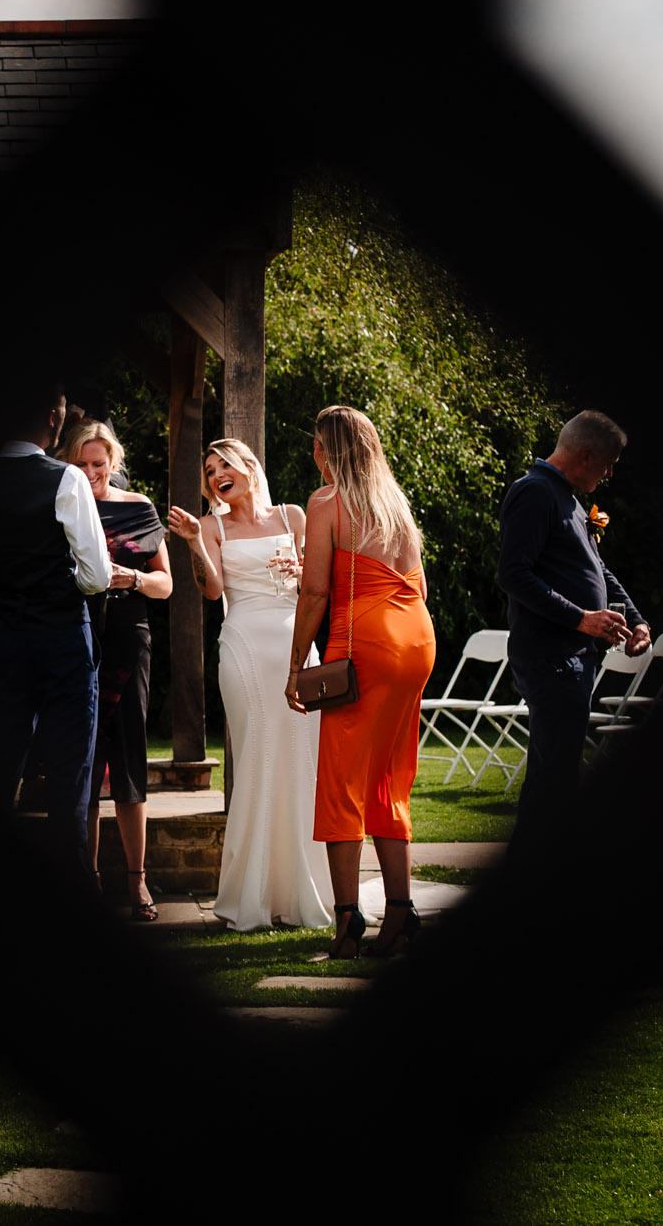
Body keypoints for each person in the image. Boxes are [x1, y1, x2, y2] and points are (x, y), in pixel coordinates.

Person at [286, 405, 439, 958]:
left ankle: (348, 924)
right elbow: (417, 585)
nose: (312, 456)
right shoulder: (395, 503)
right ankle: (401, 913)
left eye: (316, 445)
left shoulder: (326, 502)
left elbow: (316, 592)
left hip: (366, 641)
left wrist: (296, 664)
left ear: (330, 450)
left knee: (343, 779)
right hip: (416, 639)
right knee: (389, 778)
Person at [167, 438, 333, 931]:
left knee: (306, 762)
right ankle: (252, 896)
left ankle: (308, 892)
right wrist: (197, 540)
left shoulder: (293, 517)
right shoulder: (213, 526)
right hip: (243, 646)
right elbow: (212, 589)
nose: (217, 474)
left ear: (248, 467)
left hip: (295, 645)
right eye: (209, 470)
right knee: (258, 759)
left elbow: (317, 584)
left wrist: (302, 570)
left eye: (224, 464)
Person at [0, 386, 114, 872]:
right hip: (63, 641)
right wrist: (55, 585)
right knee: (69, 786)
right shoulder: (65, 479)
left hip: (5, 642)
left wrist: (5, 586)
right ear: (53, 417)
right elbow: (97, 576)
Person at [495, 410, 651, 858]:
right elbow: (513, 575)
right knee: (557, 776)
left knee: (551, 773)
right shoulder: (535, 492)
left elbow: (598, 570)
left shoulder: (570, 499)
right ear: (585, 456)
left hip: (572, 656)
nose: (611, 472)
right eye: (609, 463)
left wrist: (637, 619)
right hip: (550, 656)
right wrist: (581, 618)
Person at [60, 419, 173, 922]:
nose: (90, 473)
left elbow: (166, 584)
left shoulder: (141, 508)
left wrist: (134, 577)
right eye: (80, 465)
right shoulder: (59, 507)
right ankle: (88, 880)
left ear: (114, 462)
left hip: (130, 637)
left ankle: (137, 883)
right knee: (83, 757)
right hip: (77, 638)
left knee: (128, 756)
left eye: (98, 464)